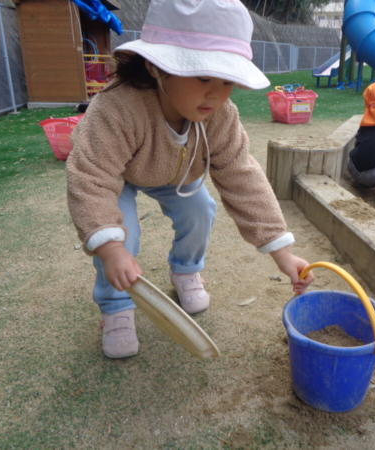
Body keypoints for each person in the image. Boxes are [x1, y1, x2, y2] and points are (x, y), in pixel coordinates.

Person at [66, 0, 314, 359]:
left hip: (175, 177)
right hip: (116, 176)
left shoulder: (221, 116)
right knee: (121, 236)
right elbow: (91, 175)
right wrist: (110, 248)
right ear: (156, 67)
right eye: (202, 77)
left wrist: (281, 252)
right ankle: (116, 306)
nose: (215, 93)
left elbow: (241, 175)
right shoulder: (117, 108)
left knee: (201, 209)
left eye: (227, 81)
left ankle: (185, 271)